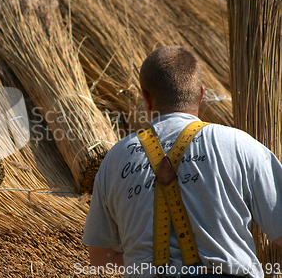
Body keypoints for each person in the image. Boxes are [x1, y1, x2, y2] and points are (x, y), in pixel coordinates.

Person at [82, 46, 282, 278]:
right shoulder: (240, 146)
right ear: (200, 94)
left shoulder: (115, 159)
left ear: (146, 98)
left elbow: (101, 259)